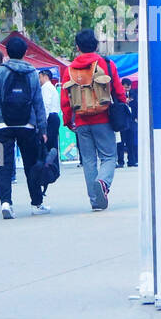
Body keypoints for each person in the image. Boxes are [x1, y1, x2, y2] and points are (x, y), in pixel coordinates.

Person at [61, 29, 127, 211]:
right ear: (96, 45)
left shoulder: (70, 69)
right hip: (103, 118)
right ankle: (103, 182)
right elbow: (118, 89)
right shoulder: (106, 64)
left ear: (77, 47)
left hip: (81, 121)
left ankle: (95, 201)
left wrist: (68, 121)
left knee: (89, 161)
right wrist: (122, 106)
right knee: (109, 156)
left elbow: (65, 100)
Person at [0, 36, 49, 218]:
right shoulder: (32, 72)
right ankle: (37, 203)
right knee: (31, 164)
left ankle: (6, 202)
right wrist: (43, 128)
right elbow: (38, 102)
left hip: (2, 125)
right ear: (25, 52)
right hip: (27, 125)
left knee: (3, 165)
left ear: (7, 51)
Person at [116, 78, 138, 168]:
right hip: (122, 121)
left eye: (128, 87)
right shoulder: (118, 95)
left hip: (132, 121)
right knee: (120, 143)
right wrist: (125, 101)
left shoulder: (134, 94)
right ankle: (120, 161)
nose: (127, 89)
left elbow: (137, 105)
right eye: (125, 87)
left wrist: (136, 117)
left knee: (131, 142)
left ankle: (132, 161)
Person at [39, 69, 62, 154]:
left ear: (45, 77)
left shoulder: (46, 87)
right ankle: (53, 166)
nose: (39, 80)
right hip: (54, 116)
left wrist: (43, 121)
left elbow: (46, 105)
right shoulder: (51, 87)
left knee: (49, 145)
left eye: (40, 77)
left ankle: (50, 165)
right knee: (53, 145)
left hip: (50, 117)